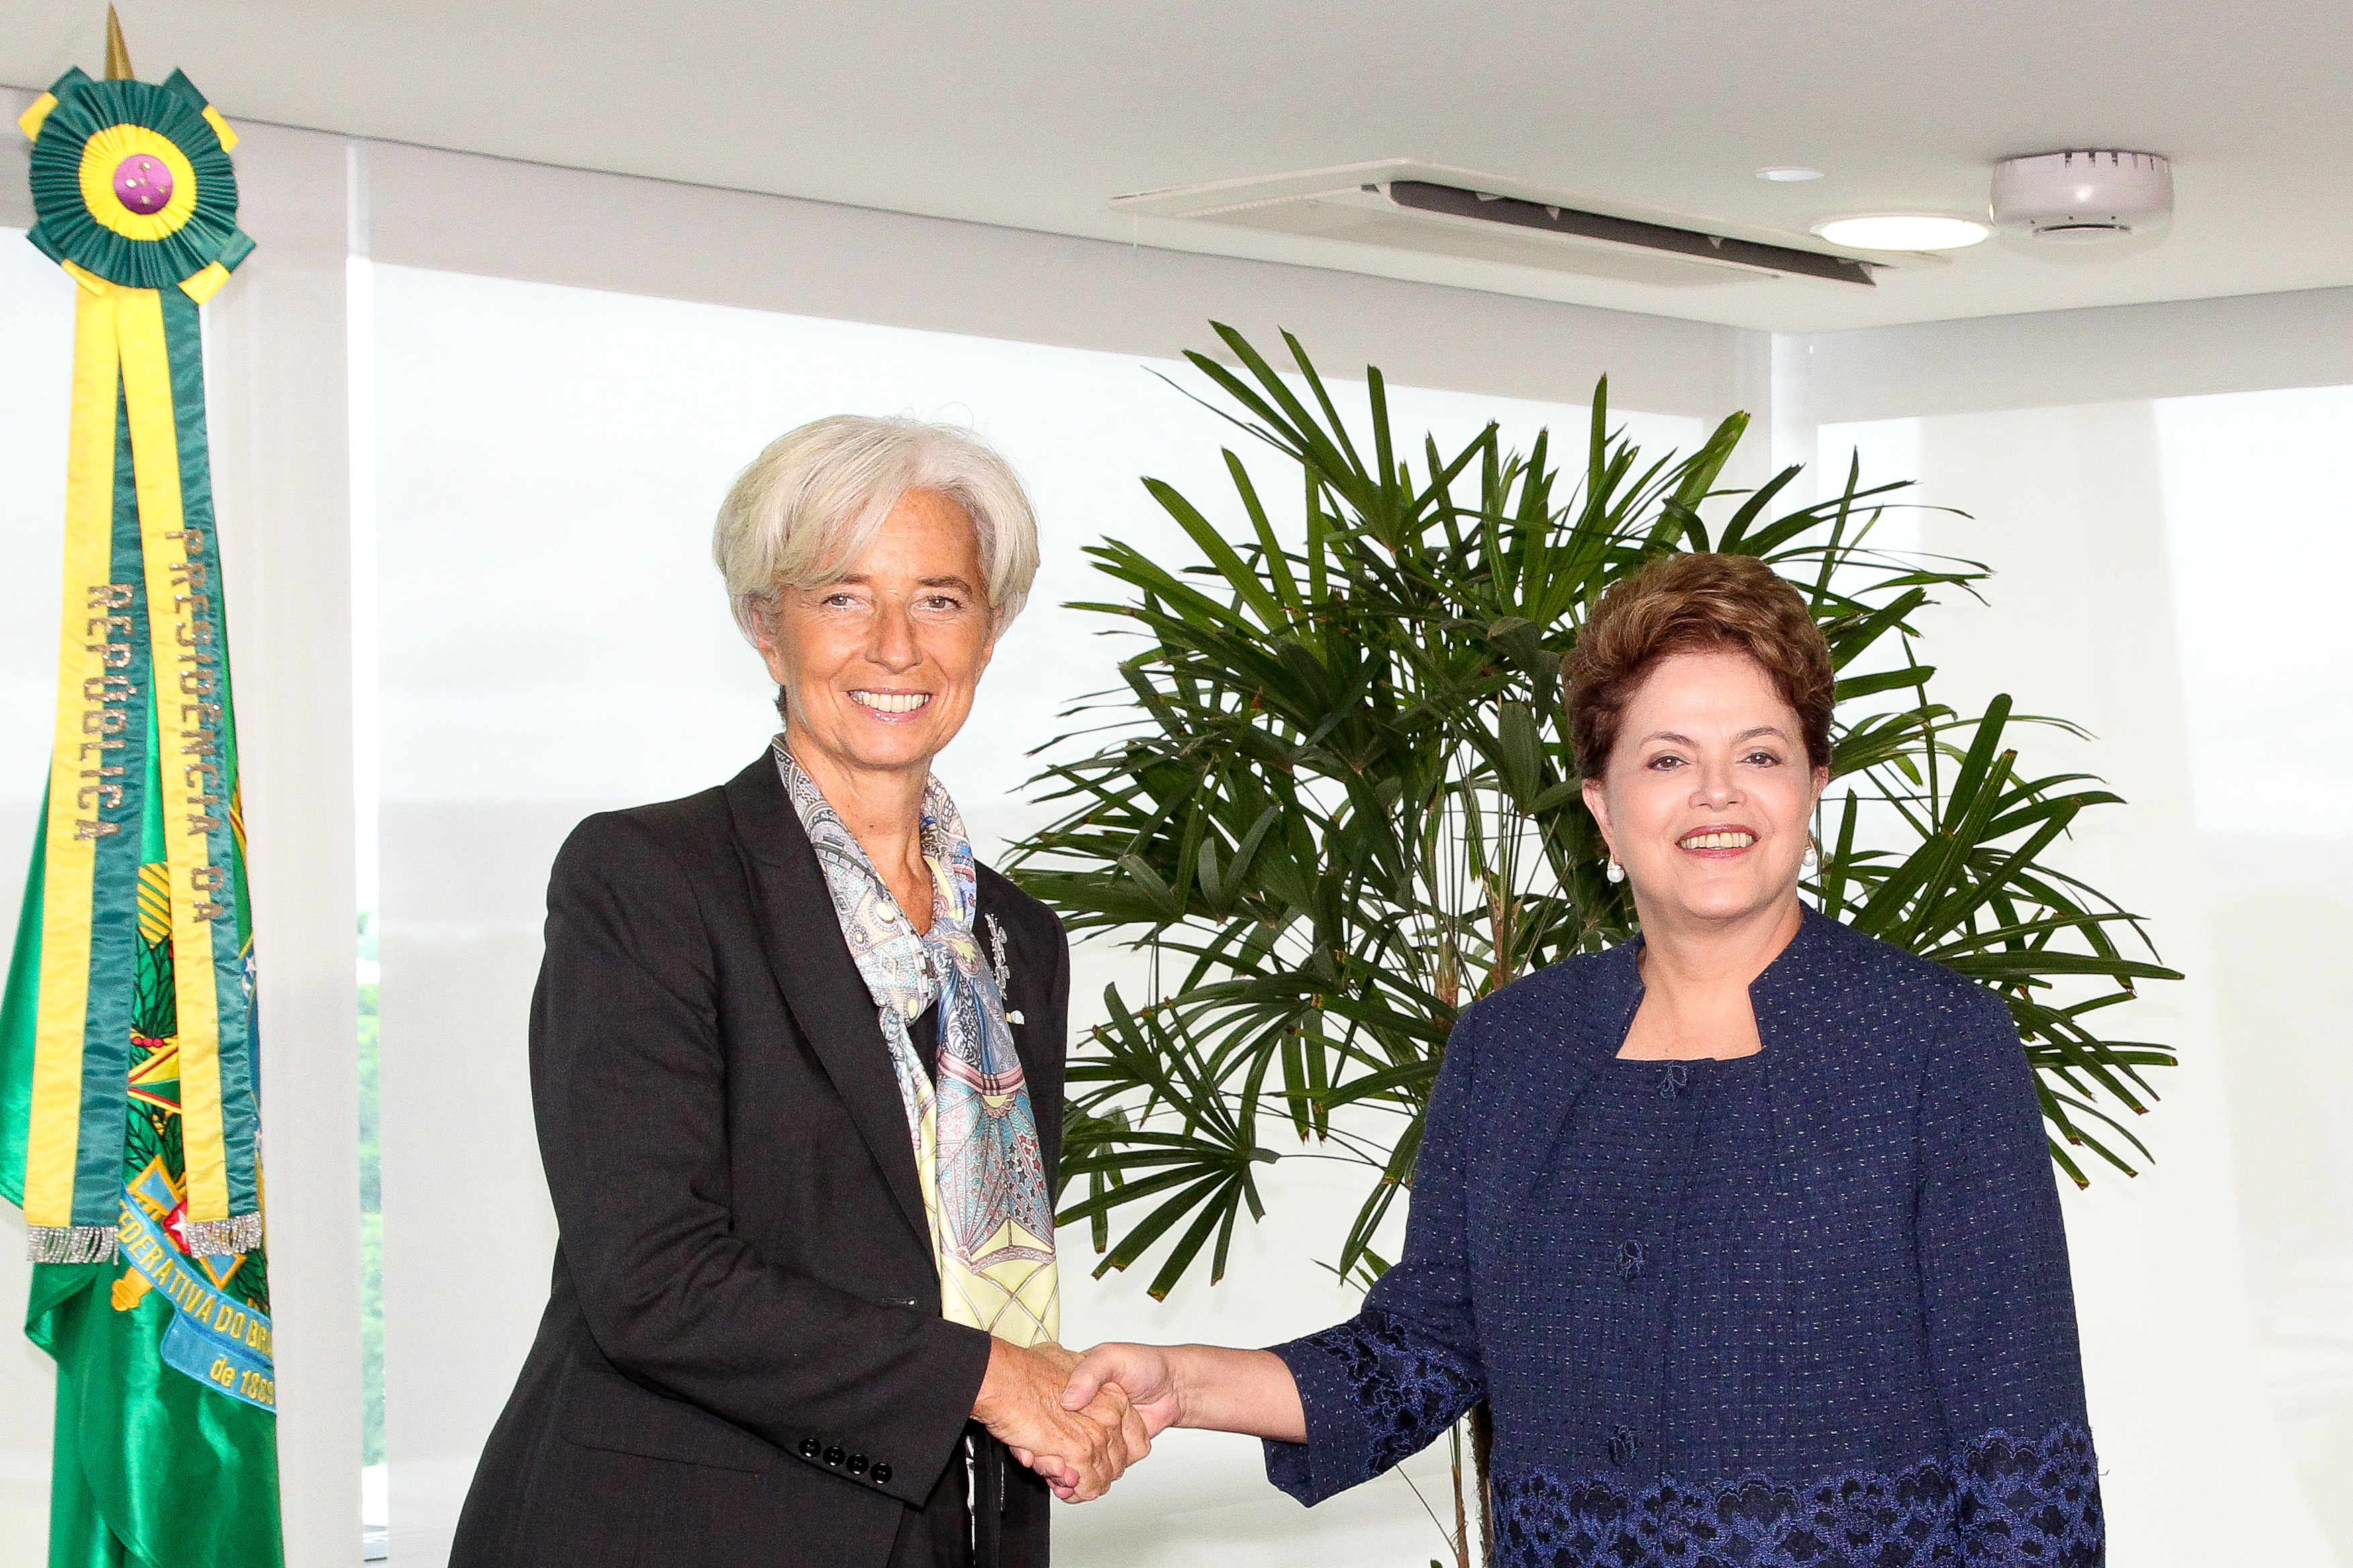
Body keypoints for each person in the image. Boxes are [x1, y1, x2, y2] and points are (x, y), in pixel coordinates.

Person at [1060, 553, 2104, 1566]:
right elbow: (1420, 1352)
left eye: (1759, 753)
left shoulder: (1934, 1041)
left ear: (1811, 786)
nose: (1714, 794)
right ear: (1602, 805)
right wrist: (1181, 1382)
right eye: (1664, 758)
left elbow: (2020, 1438)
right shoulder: (1511, 1048)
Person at [452, 415, 1143, 1568]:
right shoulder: (649, 880)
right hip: (674, 1533)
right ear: (765, 629)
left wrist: (1041, 1408)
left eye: (938, 598)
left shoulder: (1016, 936)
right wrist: (990, 1380)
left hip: (943, 1525)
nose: (894, 646)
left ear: (993, 625)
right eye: (839, 597)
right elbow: (652, 1279)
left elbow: (966, 1271)